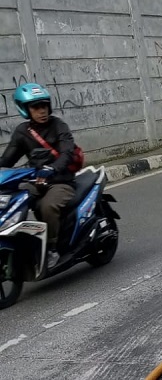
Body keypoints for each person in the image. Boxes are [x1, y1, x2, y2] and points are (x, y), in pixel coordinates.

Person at [0, 83, 76, 270]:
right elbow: (7, 160)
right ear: (25, 109)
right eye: (36, 107)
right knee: (12, 200)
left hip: (60, 181)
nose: (42, 111)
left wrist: (52, 168)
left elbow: (68, 153)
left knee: (46, 206)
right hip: (35, 182)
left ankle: (51, 248)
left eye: (44, 106)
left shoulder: (59, 125)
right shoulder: (22, 132)